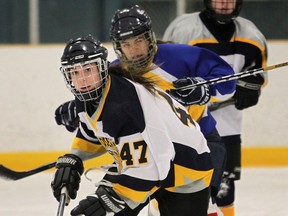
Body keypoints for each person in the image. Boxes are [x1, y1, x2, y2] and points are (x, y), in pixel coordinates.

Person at [54, 7, 236, 210]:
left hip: (199, 143)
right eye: (126, 44)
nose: (133, 50)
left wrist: (205, 88)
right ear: (118, 46)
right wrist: (79, 111)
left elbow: (228, 81)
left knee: (203, 205)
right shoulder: (111, 73)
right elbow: (103, 118)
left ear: (149, 38)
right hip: (152, 150)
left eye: (138, 41)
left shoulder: (180, 56)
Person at [163, 0, 268, 215]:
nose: (223, 5)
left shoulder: (251, 34)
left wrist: (251, 89)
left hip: (228, 122)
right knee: (178, 182)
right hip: (188, 121)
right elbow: (164, 69)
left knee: (224, 186)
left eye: (229, 0)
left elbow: (258, 75)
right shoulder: (184, 29)